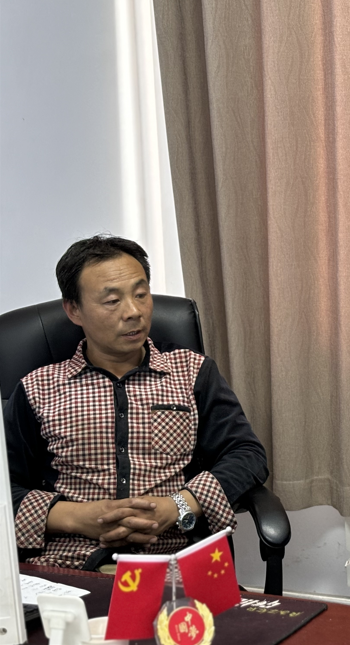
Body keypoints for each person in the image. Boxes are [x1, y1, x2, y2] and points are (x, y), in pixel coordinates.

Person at [4, 235, 269, 570]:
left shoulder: (192, 373)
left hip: (174, 561)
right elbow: (5, 486)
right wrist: (75, 517)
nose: (133, 312)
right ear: (74, 310)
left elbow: (247, 455)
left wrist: (178, 506)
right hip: (69, 563)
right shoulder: (38, 388)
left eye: (141, 295)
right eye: (112, 301)